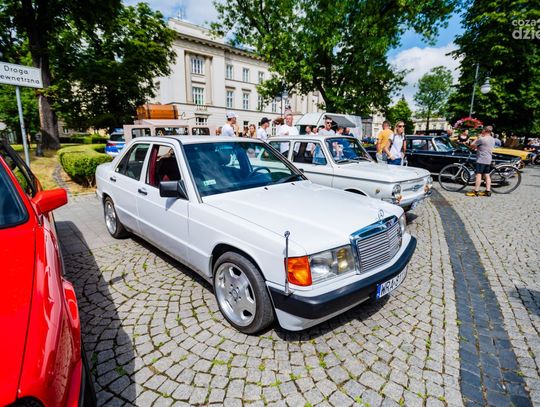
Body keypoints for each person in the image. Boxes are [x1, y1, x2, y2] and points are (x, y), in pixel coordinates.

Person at [466, 126, 495, 197]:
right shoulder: (492, 139)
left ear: (484, 130)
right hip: (488, 159)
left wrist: (477, 138)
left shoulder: (482, 139)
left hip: (481, 159)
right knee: (487, 175)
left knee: (478, 175)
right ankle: (488, 191)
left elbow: (472, 145)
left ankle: (476, 191)